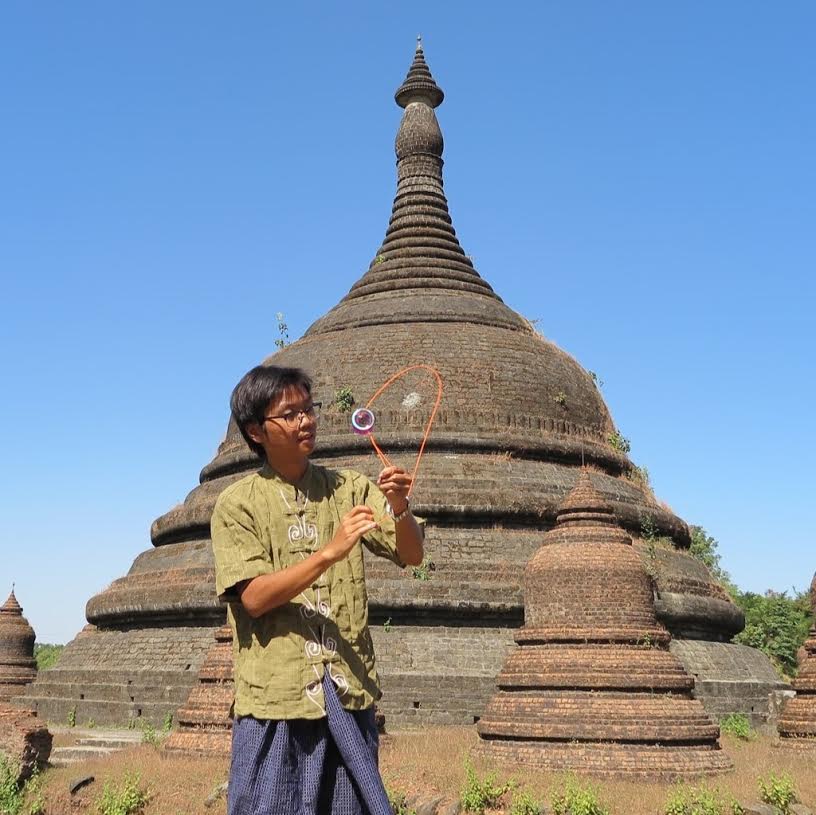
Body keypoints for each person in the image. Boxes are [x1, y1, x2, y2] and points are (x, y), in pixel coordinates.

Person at [211, 365, 425, 815]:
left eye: (309, 409)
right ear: (256, 431)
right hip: (278, 698)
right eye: (290, 414)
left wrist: (401, 509)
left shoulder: (348, 489)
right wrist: (329, 553)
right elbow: (253, 597)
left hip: (347, 690)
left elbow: (411, 555)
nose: (306, 421)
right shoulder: (238, 505)